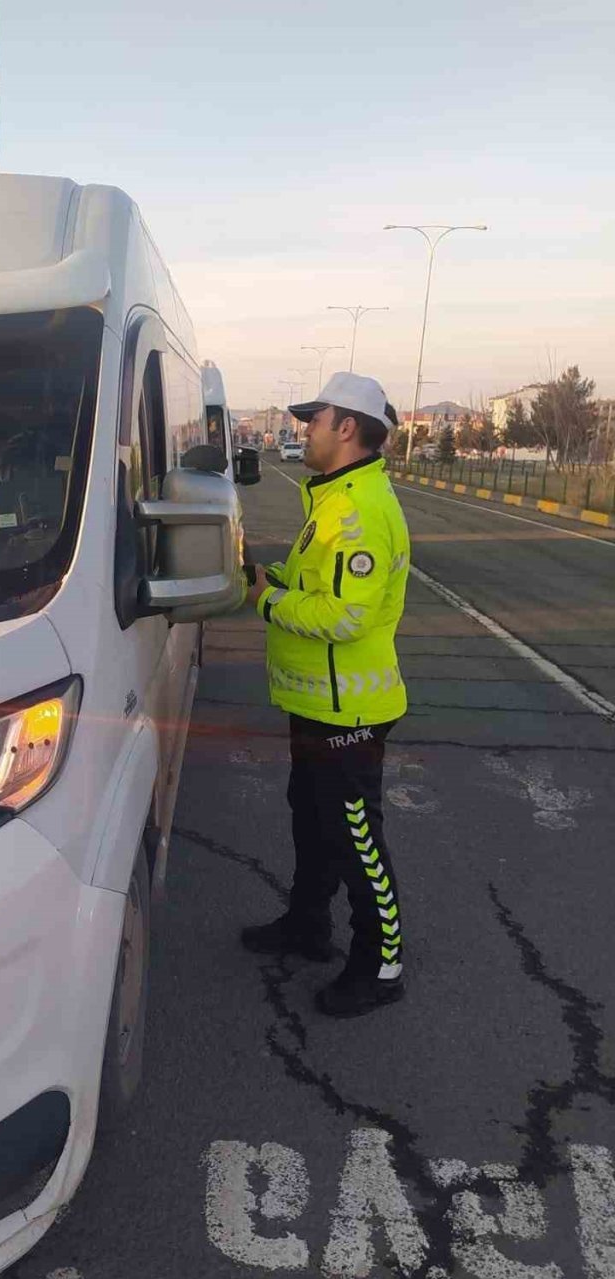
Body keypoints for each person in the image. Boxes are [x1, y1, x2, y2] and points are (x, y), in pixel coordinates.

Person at [241, 373, 411, 1018]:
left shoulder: (360, 509)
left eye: (315, 419)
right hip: (318, 702)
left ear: (348, 428)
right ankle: (308, 925)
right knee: (312, 823)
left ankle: (382, 964)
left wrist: (267, 598)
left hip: (352, 710)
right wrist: (275, 575)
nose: (304, 429)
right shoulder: (336, 497)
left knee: (356, 838)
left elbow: (345, 618)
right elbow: (320, 583)